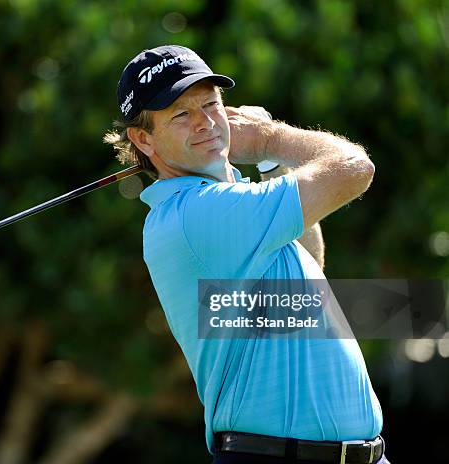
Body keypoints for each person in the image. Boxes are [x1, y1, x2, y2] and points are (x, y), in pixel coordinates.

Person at [104, 45, 390, 464]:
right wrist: (268, 137)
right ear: (143, 138)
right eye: (181, 114)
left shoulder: (229, 205)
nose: (205, 121)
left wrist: (271, 160)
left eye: (211, 103)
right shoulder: (197, 215)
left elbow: (311, 264)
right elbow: (354, 169)